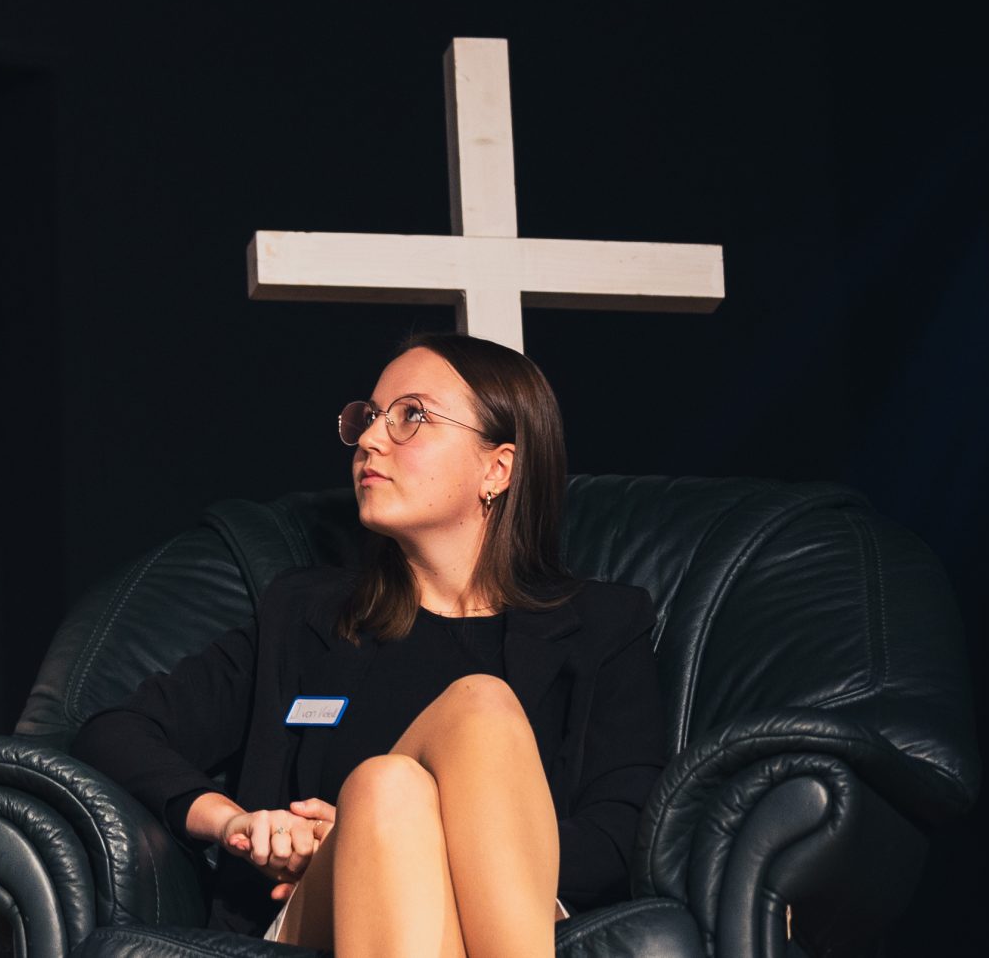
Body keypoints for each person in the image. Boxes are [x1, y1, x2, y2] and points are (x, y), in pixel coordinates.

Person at [72, 334, 667, 956]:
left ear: (497, 469)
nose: (370, 439)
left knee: (421, 763)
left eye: (411, 416)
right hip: (315, 919)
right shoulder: (305, 615)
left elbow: (620, 835)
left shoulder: (603, 625)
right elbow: (117, 732)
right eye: (371, 416)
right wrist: (235, 823)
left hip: (521, 912)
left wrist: (411, 836)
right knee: (390, 788)